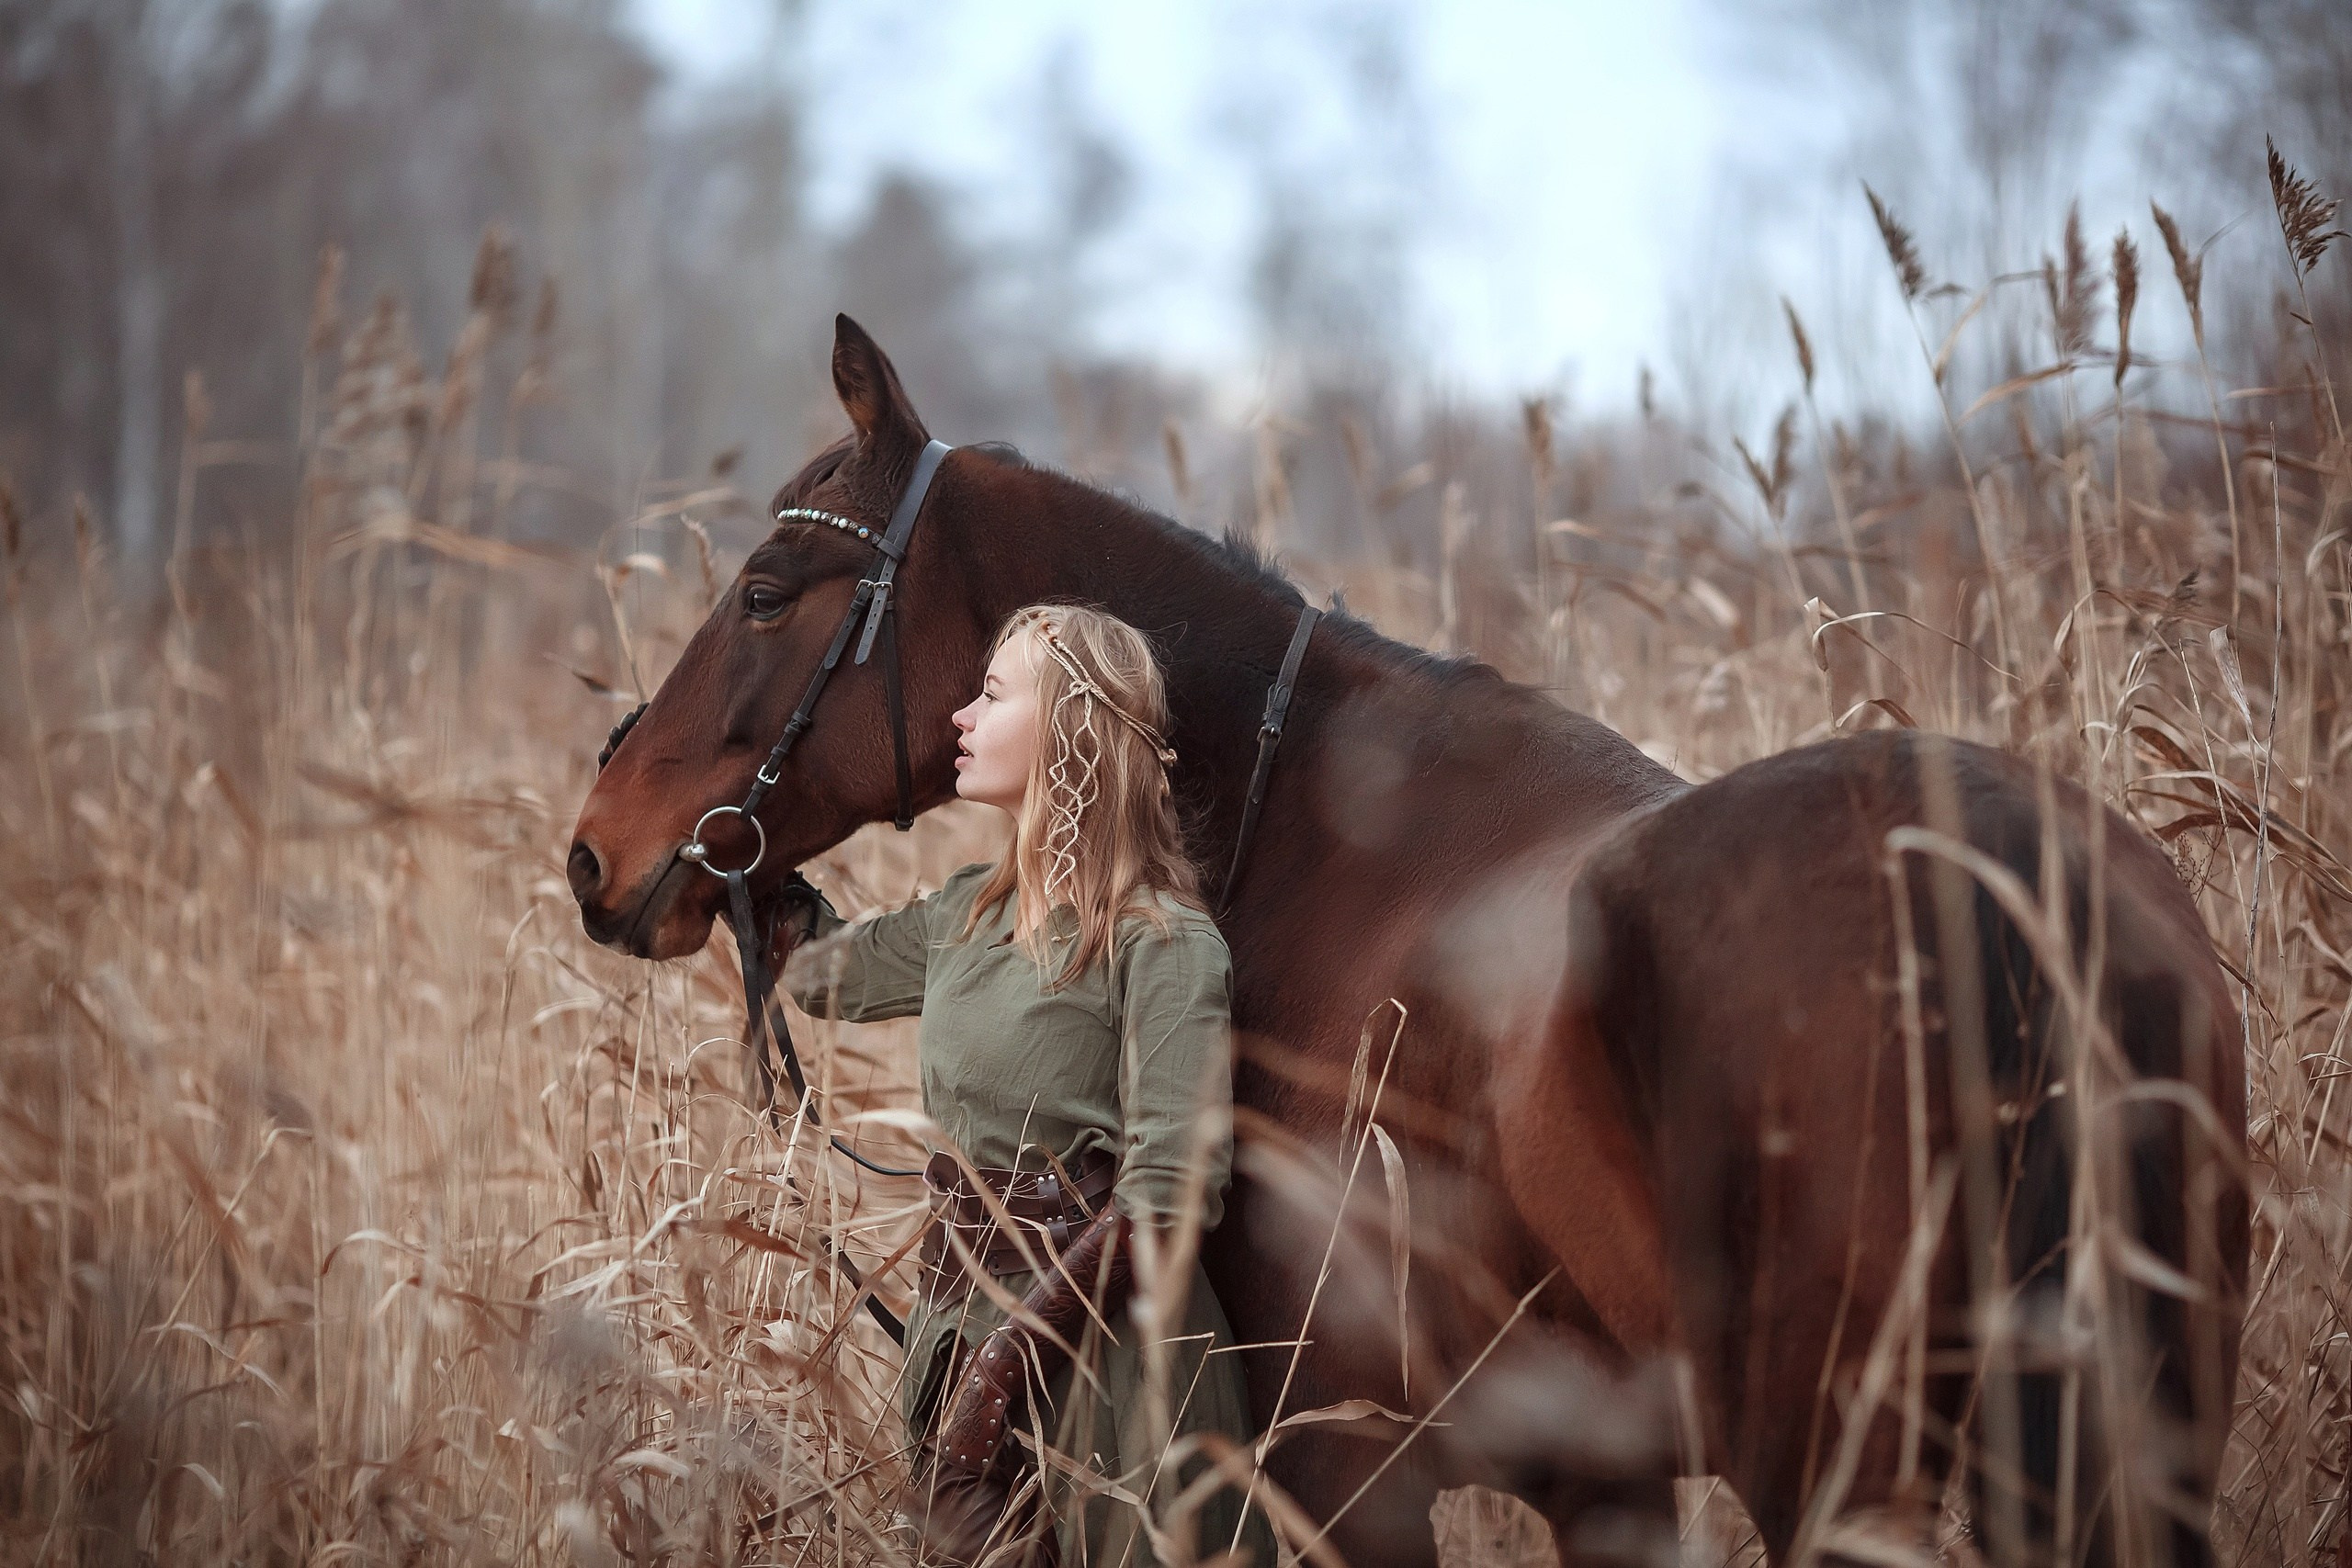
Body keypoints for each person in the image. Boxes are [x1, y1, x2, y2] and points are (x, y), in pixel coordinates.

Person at [776, 603, 1267, 1568]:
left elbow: (1167, 1201)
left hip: (1112, 1378)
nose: (960, 717)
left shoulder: (1161, 943)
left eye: (992, 695)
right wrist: (737, 836)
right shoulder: (967, 910)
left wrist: (1004, 1369)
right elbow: (816, 971)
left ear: (1071, 732)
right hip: (956, 1328)